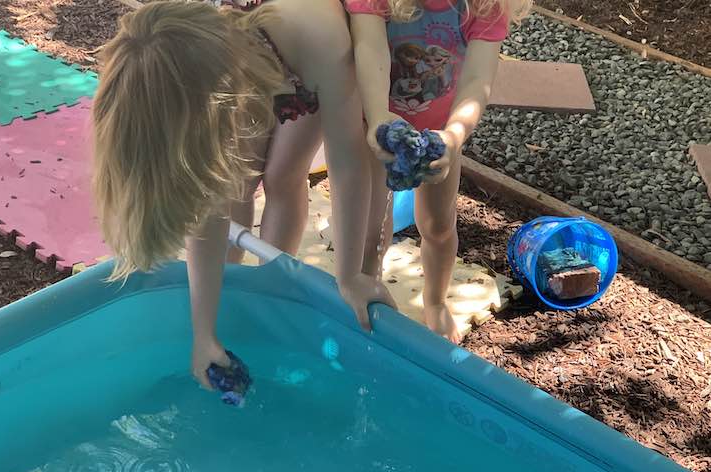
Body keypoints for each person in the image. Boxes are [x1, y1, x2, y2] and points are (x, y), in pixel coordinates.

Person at [91, 0, 394, 388]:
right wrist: (204, 334)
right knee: (235, 183)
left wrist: (349, 275)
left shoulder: (322, 43)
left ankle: (270, 285)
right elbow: (209, 199)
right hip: (256, 55)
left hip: (307, 58)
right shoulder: (189, 52)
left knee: (283, 174)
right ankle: (233, 289)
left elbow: (348, 165)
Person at [346, 0, 530, 343]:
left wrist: (453, 137)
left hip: (440, 134)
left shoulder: (484, 6)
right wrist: (377, 116)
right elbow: (369, 48)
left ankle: (434, 300)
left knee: (439, 226)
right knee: (371, 228)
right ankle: (368, 292)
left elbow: (477, 81)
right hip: (377, 126)